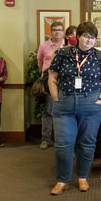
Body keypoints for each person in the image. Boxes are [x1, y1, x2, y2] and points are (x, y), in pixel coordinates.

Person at [48, 21, 101, 195]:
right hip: (64, 104)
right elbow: (52, 76)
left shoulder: (100, 57)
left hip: (91, 104)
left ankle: (82, 177)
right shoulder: (63, 54)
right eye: (86, 36)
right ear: (77, 36)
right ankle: (63, 180)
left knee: (87, 142)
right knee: (64, 143)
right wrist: (56, 98)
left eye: (92, 38)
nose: (89, 40)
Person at [36, 20, 67, 149]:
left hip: (64, 82)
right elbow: (39, 63)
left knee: (64, 111)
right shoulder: (44, 46)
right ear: (51, 32)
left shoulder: (67, 46)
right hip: (49, 81)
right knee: (48, 110)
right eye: (54, 30)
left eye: (60, 30)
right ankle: (46, 139)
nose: (57, 32)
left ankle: (61, 138)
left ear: (63, 32)